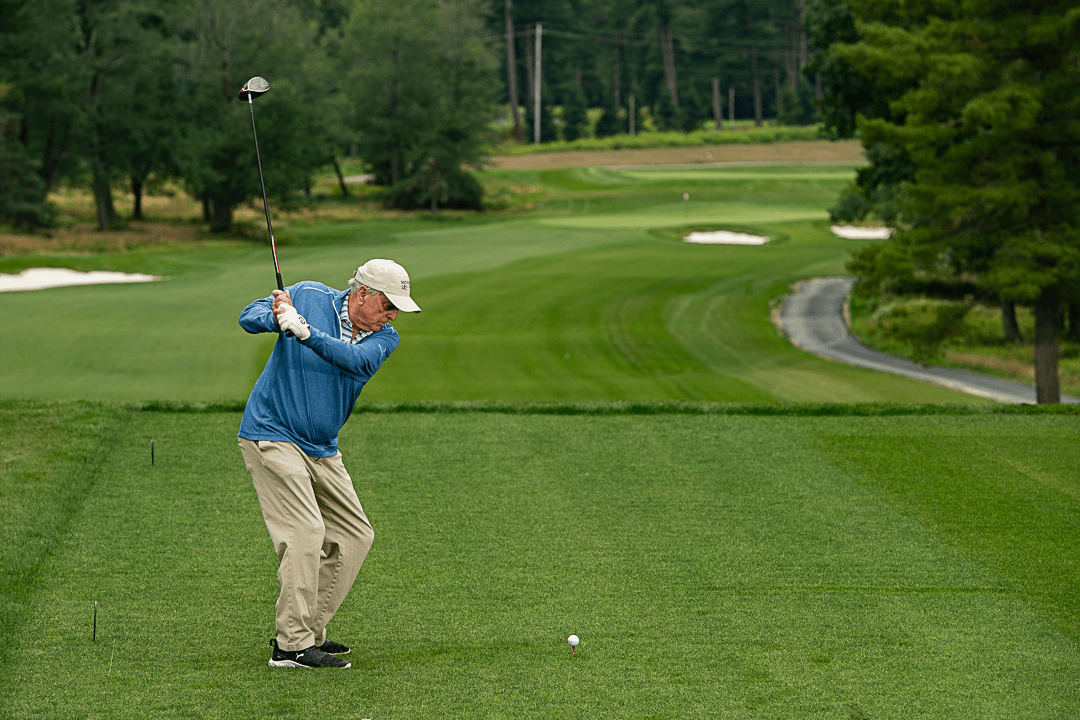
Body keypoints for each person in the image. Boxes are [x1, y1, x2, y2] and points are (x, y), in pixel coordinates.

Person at [236, 258, 421, 669]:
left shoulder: (384, 338)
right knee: (306, 530)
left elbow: (353, 361)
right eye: (388, 305)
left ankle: (309, 633)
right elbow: (247, 318)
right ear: (362, 294)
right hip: (272, 433)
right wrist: (277, 314)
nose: (392, 316)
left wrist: (304, 332)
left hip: (322, 447)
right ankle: (291, 646)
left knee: (356, 535)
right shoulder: (308, 295)